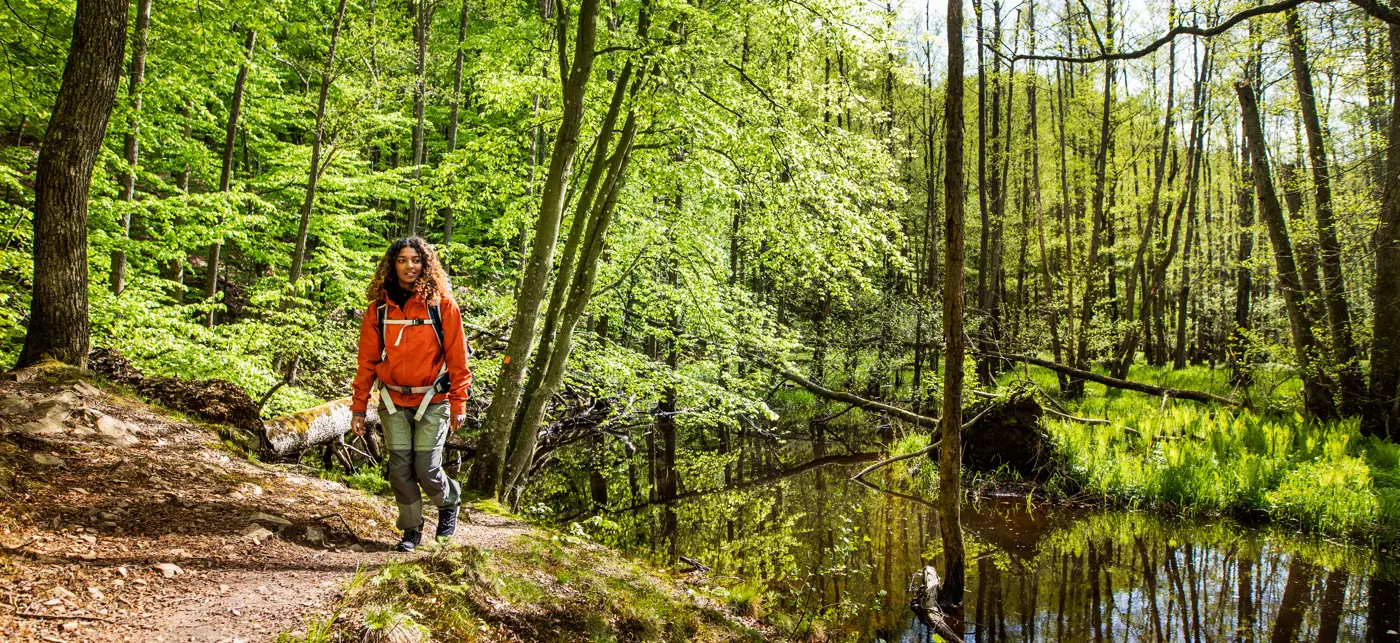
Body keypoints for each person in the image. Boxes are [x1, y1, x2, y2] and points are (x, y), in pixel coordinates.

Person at [350, 237, 472, 552]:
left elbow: (458, 359)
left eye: (416, 260)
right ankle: (412, 531)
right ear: (393, 265)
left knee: (427, 467)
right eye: (402, 260)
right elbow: (367, 363)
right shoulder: (379, 309)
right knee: (400, 469)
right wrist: (359, 408)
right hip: (392, 400)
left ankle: (449, 500)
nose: (409, 266)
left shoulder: (442, 305)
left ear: (425, 264)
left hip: (433, 400)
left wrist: (459, 402)